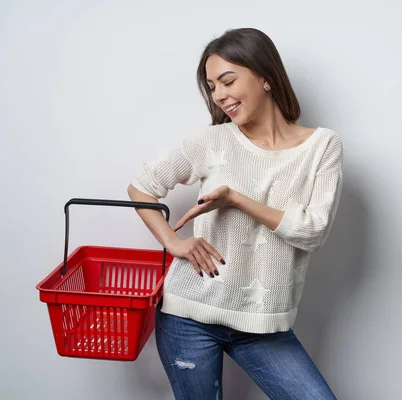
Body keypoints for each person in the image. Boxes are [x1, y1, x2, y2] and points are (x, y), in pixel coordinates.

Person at [127, 27, 343, 400]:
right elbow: (141, 187)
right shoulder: (212, 141)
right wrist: (174, 243)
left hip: (263, 325)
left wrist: (237, 199)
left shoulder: (322, 147)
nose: (220, 96)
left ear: (265, 78)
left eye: (227, 81)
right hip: (188, 317)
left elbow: (313, 231)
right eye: (212, 87)